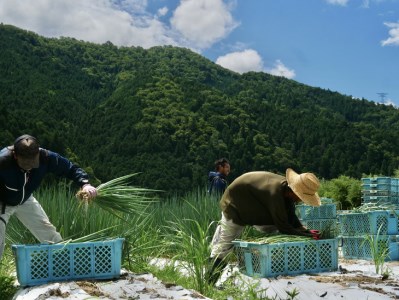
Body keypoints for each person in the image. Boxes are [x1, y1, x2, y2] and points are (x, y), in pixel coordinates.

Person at [206, 168, 321, 285]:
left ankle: (272, 266)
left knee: (274, 230)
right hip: (234, 206)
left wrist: (304, 230)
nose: (300, 200)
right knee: (224, 247)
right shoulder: (275, 193)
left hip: (254, 206)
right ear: (295, 191)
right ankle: (208, 282)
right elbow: (284, 227)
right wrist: (305, 235)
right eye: (301, 197)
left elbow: (290, 215)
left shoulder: (286, 189)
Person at [0, 134, 97, 261]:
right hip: (2, 201)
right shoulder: (3, 161)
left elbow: (70, 169)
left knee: (49, 234)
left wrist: (85, 184)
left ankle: (64, 263)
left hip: (25, 199)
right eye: (25, 163)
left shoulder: (46, 157)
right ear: (15, 155)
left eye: (32, 163)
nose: (29, 166)